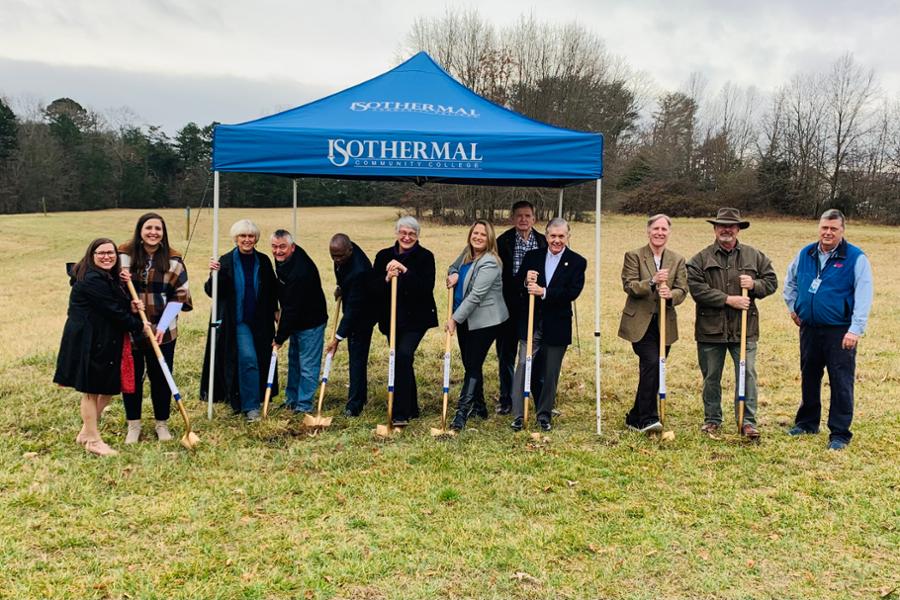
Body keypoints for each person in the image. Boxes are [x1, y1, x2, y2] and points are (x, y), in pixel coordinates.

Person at [783, 209, 873, 451]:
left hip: (840, 331)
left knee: (841, 381)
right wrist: (793, 307)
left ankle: (840, 433)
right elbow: (789, 281)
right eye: (824, 227)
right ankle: (807, 423)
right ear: (819, 228)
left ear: (842, 230)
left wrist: (855, 329)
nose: (828, 232)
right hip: (809, 328)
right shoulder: (805, 253)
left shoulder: (856, 258)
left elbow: (864, 296)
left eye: (833, 228)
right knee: (809, 375)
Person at [686, 207, 778, 440]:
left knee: (747, 376)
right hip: (710, 330)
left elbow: (771, 282)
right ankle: (712, 420)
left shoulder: (755, 256)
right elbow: (697, 290)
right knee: (711, 378)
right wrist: (729, 300)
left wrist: (755, 285)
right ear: (715, 229)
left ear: (738, 229)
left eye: (731, 226)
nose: (726, 230)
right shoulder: (700, 259)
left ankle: (747, 422)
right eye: (722, 226)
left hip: (744, 330)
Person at [54, 238, 147, 456]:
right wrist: (139, 324)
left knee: (106, 389)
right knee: (91, 390)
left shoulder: (107, 278)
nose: (107, 256)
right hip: (88, 340)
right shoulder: (91, 279)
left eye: (111, 253)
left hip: (103, 339)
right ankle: (94, 441)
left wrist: (131, 306)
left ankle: (86, 432)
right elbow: (112, 310)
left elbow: (114, 304)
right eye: (101, 253)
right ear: (91, 256)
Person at [118, 212, 193, 444]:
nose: (153, 232)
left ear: (163, 233)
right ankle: (134, 425)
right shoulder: (124, 256)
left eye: (158, 229)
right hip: (131, 329)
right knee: (132, 378)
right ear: (140, 230)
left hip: (164, 331)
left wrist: (161, 326)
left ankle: (162, 423)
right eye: (148, 228)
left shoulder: (173, 260)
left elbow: (180, 297)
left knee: (161, 378)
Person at [510, 218, 586, 432]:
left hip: (557, 326)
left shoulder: (577, 261)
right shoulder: (532, 256)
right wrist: (526, 281)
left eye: (561, 236)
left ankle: (544, 414)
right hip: (531, 322)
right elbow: (516, 284)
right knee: (523, 367)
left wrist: (543, 292)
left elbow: (572, 292)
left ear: (568, 237)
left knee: (550, 372)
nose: (557, 240)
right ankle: (518, 414)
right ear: (546, 236)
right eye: (553, 236)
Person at [201, 219, 278, 422]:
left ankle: (250, 396)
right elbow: (212, 292)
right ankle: (250, 407)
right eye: (243, 236)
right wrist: (213, 275)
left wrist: (277, 311)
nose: (247, 240)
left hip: (261, 322)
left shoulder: (263, 261)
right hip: (238, 320)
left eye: (251, 236)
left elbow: (271, 290)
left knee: (259, 359)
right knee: (248, 359)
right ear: (236, 238)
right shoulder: (225, 261)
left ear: (256, 239)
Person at [617, 214, 688, 434]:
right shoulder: (634, 256)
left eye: (664, 229)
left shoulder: (677, 259)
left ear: (669, 232)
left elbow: (682, 290)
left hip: (665, 323)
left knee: (657, 367)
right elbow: (629, 286)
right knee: (651, 363)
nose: (659, 233)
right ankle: (648, 418)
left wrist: (671, 294)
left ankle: (634, 417)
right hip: (640, 323)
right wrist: (652, 282)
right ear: (648, 231)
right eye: (656, 228)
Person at [372, 216, 438, 426]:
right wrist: (386, 278)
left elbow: (425, 288)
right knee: (403, 361)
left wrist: (405, 271)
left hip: (416, 319)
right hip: (391, 319)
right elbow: (373, 289)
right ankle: (412, 406)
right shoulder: (383, 256)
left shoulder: (425, 257)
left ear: (417, 236)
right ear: (397, 233)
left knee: (402, 355)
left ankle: (400, 413)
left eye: (411, 234)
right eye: (403, 233)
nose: (407, 237)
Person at [445, 220, 509, 431]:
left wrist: (454, 319)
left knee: (472, 364)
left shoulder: (490, 261)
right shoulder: (467, 253)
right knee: (470, 363)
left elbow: (476, 296)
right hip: (465, 318)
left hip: (485, 321)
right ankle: (480, 407)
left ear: (489, 238)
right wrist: (453, 274)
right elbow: (453, 267)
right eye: (475, 233)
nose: (478, 237)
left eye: (483, 234)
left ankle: (462, 412)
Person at [495, 200, 547, 415]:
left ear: (534, 218)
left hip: (535, 307)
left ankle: (535, 397)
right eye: (519, 216)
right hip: (508, 305)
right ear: (512, 218)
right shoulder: (502, 241)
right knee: (506, 354)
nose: (523, 220)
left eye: (527, 216)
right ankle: (506, 398)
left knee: (532, 355)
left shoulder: (544, 241)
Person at [271, 229, 327, 414]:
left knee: (307, 364)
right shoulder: (284, 259)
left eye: (283, 247)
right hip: (295, 318)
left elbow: (293, 308)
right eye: (275, 246)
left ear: (292, 247)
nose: (278, 251)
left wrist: (279, 338)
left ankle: (303, 405)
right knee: (294, 362)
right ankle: (291, 400)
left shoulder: (301, 271)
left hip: (311, 321)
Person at [325, 233, 376, 417]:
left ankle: (355, 405)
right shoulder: (341, 253)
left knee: (357, 357)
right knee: (355, 356)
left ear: (350, 250)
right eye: (333, 256)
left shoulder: (360, 270)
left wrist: (337, 338)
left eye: (340, 256)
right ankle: (358, 398)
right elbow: (341, 273)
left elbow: (353, 310)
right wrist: (341, 287)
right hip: (355, 299)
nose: (337, 260)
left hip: (365, 313)